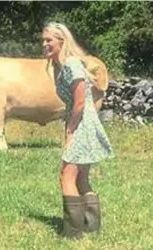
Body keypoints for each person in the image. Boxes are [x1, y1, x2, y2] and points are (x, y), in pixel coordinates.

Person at [42, 22, 114, 239]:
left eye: (49, 40)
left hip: (82, 123)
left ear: (62, 42)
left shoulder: (71, 64)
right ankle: (90, 226)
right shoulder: (60, 65)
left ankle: (72, 233)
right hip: (82, 122)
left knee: (67, 176)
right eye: (43, 40)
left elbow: (80, 103)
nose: (44, 44)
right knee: (81, 177)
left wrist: (70, 131)